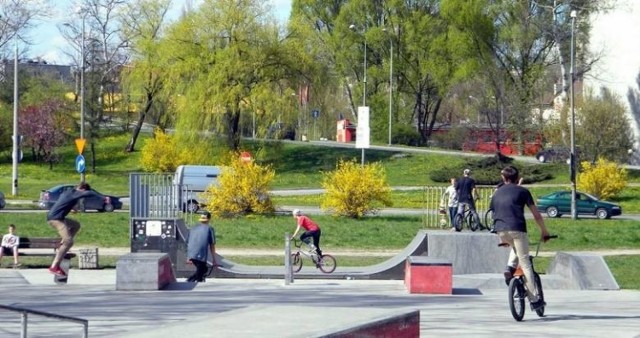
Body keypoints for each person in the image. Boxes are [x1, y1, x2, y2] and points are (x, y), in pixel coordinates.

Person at [490, 165, 550, 311]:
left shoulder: (496, 193)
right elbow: (536, 214)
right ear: (518, 178)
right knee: (525, 263)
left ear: (503, 178)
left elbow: (495, 213)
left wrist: (501, 237)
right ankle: (534, 299)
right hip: (517, 229)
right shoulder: (523, 191)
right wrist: (544, 231)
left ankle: (509, 268)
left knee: (516, 249)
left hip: (500, 230)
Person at [46, 182, 101, 276]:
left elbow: (64, 200)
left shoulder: (69, 192)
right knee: (69, 242)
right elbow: (89, 194)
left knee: (76, 225)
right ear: (82, 189)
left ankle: (63, 247)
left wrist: (72, 207)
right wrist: (104, 198)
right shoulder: (76, 192)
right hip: (56, 219)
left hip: (57, 217)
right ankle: (54, 267)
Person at [186, 211, 217, 282]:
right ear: (209, 219)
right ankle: (189, 280)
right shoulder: (209, 228)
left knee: (202, 269)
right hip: (201, 254)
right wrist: (214, 259)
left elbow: (187, 242)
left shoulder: (193, 227)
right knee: (203, 270)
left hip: (191, 253)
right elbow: (212, 245)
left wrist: (188, 257)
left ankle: (196, 281)